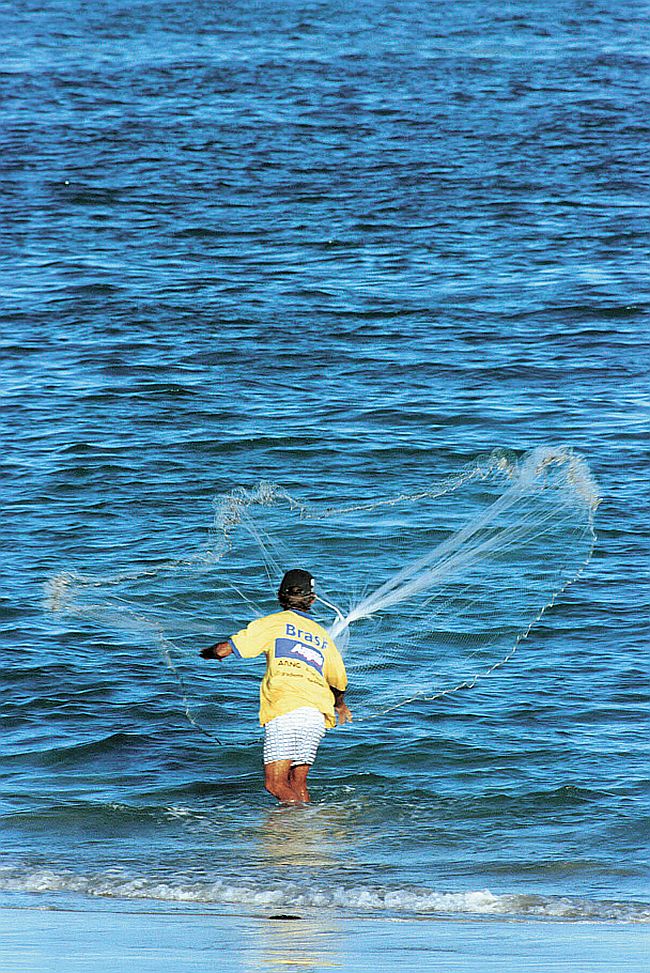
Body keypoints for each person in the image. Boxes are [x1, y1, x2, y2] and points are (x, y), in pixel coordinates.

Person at [200, 568, 352, 804]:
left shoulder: (272, 623)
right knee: (297, 783)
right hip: (316, 715)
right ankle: (303, 834)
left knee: (275, 784)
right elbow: (339, 680)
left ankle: (303, 824)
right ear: (311, 600)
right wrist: (340, 706)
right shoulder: (322, 636)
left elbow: (223, 650)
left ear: (280, 596)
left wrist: (206, 654)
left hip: (286, 710)